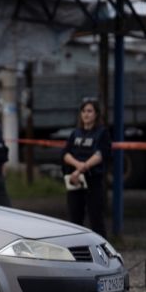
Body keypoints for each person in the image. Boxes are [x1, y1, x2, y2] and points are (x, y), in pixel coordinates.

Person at [62, 98, 111, 236]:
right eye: (83, 111)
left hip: (93, 180)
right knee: (74, 220)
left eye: (89, 111)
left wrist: (81, 168)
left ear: (96, 114)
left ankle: (102, 253)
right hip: (75, 181)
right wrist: (77, 166)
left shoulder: (102, 133)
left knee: (96, 219)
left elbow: (100, 155)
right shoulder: (75, 133)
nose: (86, 114)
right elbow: (65, 153)